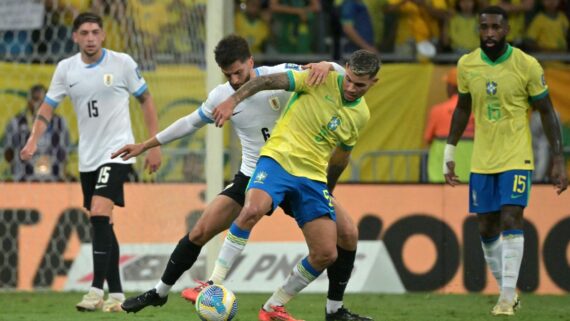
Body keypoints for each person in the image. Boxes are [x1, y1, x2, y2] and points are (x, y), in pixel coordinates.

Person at [114, 35, 373, 321]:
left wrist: (326, 63)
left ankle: (334, 310)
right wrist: (147, 144)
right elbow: (189, 122)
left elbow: (337, 74)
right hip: (256, 173)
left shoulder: (279, 74)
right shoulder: (220, 97)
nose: (236, 80)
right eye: (229, 75)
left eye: (240, 72)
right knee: (202, 230)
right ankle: (159, 292)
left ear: (251, 61)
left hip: (302, 172)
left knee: (347, 234)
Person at [204, 49, 379, 321]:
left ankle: (274, 306)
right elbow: (265, 81)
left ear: (373, 83)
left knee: (325, 253)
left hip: (313, 178)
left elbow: (341, 158)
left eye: (360, 85)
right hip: (278, 160)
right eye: (350, 80)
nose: (352, 88)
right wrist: (232, 101)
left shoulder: (361, 116)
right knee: (252, 210)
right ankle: (213, 283)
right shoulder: (318, 79)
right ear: (345, 69)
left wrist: (328, 191)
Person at [20, 12, 161, 312]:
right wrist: (33, 139)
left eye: (96, 32)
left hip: (117, 151)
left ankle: (96, 290)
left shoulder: (122, 63)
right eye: (84, 33)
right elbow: (47, 108)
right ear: (75, 37)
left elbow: (146, 99)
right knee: (103, 221)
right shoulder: (66, 69)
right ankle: (119, 295)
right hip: (88, 158)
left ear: (103, 34)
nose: (91, 38)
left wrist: (152, 145)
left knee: (98, 210)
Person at [443, 6, 568, 316]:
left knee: (512, 218)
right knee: (486, 227)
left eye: (495, 27)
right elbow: (462, 108)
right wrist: (449, 151)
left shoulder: (526, 64)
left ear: (507, 29)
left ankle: (506, 298)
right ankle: (506, 291)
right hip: (482, 158)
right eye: (483, 27)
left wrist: (558, 159)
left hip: (516, 155)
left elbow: (547, 112)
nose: (489, 33)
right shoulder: (467, 64)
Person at [3, 84, 70, 182]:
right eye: (35, 99)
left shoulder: (59, 123)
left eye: (43, 101)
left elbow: (65, 153)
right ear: (28, 101)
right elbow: (8, 153)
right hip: (24, 179)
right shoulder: (16, 123)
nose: (39, 104)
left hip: (53, 179)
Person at [423, 68, 474, 183]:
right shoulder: (475, 111)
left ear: (452, 87)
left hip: (441, 168)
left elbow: (428, 138)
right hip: (471, 167)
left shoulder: (438, 110)